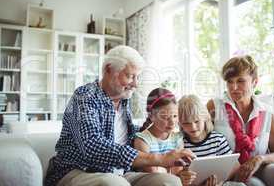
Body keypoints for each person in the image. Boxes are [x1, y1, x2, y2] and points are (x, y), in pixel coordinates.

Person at [44, 45, 195, 186]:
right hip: (78, 171)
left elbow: (124, 136)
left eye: (137, 77)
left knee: (169, 182)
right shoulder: (85, 97)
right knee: (116, 184)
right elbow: (92, 146)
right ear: (109, 70)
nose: (135, 84)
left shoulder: (123, 100)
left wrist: (155, 130)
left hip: (119, 172)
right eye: (130, 76)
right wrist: (160, 159)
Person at [206, 55, 274, 186]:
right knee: (254, 184)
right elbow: (197, 137)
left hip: (259, 167)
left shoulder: (266, 112)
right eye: (229, 81)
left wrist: (260, 159)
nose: (234, 87)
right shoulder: (214, 106)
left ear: (255, 82)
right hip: (230, 171)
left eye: (240, 81)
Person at [133, 88, 197, 186]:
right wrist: (174, 172)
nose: (172, 122)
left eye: (175, 116)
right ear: (151, 116)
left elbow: (178, 170)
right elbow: (153, 172)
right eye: (165, 117)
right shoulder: (142, 140)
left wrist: (184, 176)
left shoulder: (177, 138)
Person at [178, 94, 232, 186]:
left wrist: (220, 182)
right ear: (179, 123)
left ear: (205, 117)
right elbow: (176, 173)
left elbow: (232, 167)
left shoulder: (218, 140)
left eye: (196, 121)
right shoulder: (179, 143)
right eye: (186, 123)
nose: (193, 127)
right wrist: (181, 178)